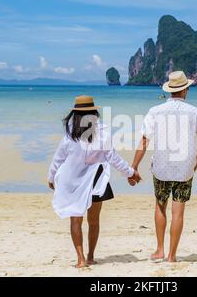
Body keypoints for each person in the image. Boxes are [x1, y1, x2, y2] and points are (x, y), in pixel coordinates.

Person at [48, 95, 141, 268]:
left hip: (73, 182)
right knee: (94, 221)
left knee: (76, 220)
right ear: (94, 112)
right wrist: (130, 172)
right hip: (96, 182)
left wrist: (51, 177)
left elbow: (58, 158)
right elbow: (113, 158)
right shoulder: (102, 132)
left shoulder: (70, 134)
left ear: (75, 114)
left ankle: (81, 259)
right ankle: (90, 256)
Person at [129, 71, 197, 262]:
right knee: (178, 212)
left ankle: (159, 250)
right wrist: (194, 165)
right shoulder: (195, 112)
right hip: (184, 169)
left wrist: (134, 167)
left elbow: (144, 141)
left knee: (160, 206)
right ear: (186, 90)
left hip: (161, 168)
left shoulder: (155, 111)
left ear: (169, 91)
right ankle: (172, 256)